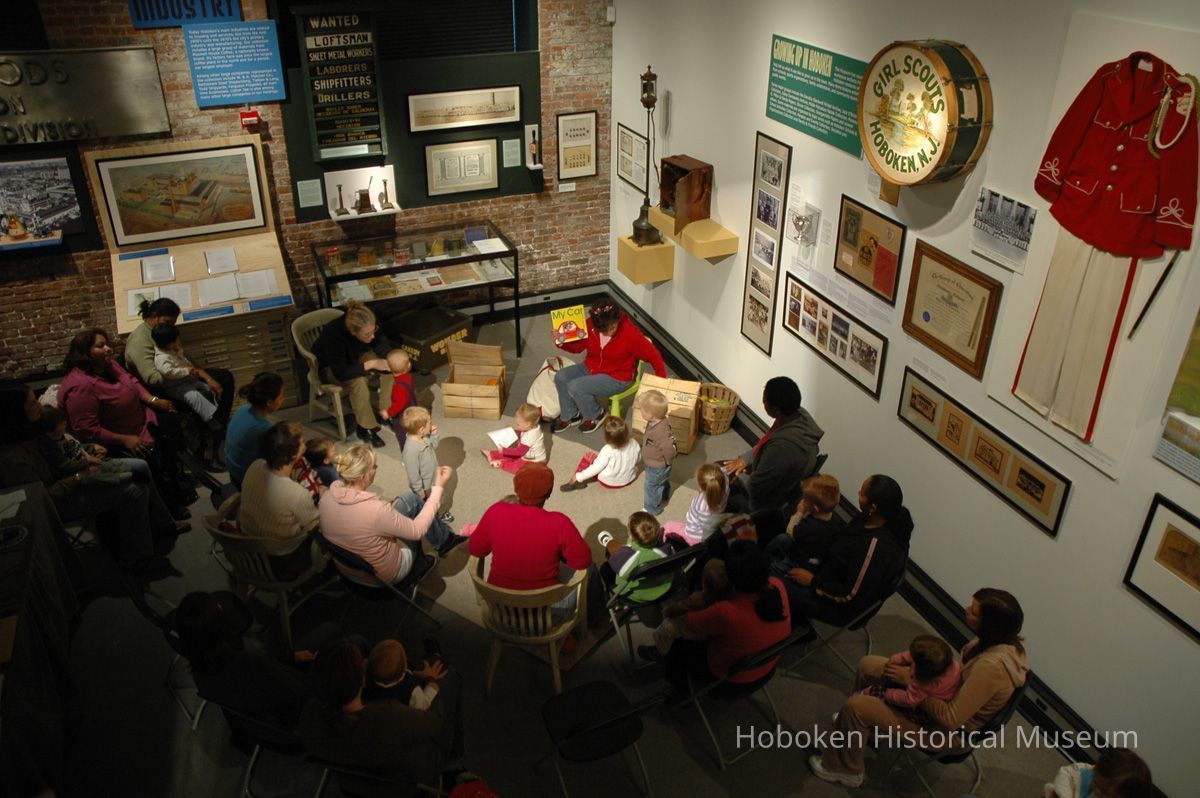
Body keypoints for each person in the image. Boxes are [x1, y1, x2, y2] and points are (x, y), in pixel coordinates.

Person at [810, 588, 1030, 788]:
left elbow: (951, 718)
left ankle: (846, 769)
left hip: (946, 733)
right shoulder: (997, 642)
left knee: (857, 707)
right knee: (868, 666)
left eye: (973, 612)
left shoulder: (992, 668)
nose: (966, 610)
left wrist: (912, 682)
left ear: (990, 625)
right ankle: (861, 731)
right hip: (942, 696)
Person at [0, 383, 184, 578]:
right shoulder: (15, 458)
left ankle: (162, 524)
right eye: (32, 403)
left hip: (71, 475)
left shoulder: (33, 430)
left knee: (140, 465)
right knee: (135, 489)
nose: (38, 404)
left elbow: (61, 449)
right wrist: (81, 475)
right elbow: (44, 498)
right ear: (16, 412)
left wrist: (88, 449)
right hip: (58, 501)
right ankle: (136, 558)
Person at [298, 638, 465, 792]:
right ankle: (454, 764)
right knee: (449, 675)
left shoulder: (309, 716)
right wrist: (430, 681)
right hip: (409, 780)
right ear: (363, 679)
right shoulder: (391, 715)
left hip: (355, 783)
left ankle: (431, 658)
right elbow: (435, 721)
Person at [58, 328, 192, 516]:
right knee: (149, 455)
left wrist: (152, 400)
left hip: (141, 420)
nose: (108, 349)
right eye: (100, 346)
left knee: (171, 423)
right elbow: (85, 429)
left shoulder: (108, 365)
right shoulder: (81, 386)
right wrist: (123, 439)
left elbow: (131, 381)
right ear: (85, 353)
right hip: (118, 437)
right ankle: (165, 509)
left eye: (107, 344)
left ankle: (175, 483)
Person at [318, 444, 461, 585]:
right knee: (413, 515)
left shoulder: (326, 498)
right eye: (374, 466)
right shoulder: (376, 511)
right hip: (383, 576)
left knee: (409, 499)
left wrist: (388, 512)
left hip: (348, 569)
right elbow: (417, 531)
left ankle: (445, 540)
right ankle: (425, 560)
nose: (376, 468)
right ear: (362, 476)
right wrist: (438, 489)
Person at [662, 540, 791, 696]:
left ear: (732, 579)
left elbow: (690, 622)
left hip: (730, 682)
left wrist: (703, 597)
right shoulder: (778, 585)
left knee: (678, 642)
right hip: (766, 668)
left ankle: (679, 691)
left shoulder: (726, 612)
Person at [782, 474, 911, 630]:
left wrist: (812, 581)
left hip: (839, 607)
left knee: (774, 580)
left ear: (873, 508)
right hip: (828, 574)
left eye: (862, 493)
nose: (858, 493)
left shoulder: (874, 550)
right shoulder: (868, 518)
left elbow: (849, 596)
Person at [174, 591, 317, 726]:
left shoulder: (200, 674)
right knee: (327, 630)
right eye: (217, 607)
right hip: (301, 711)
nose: (220, 605)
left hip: (262, 721)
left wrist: (290, 656)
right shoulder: (252, 659)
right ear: (220, 626)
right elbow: (300, 694)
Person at [467, 462, 591, 591]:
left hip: (497, 597)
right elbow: (583, 561)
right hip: (545, 601)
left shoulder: (496, 511)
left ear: (516, 489)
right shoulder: (560, 523)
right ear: (549, 494)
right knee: (591, 568)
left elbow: (475, 549)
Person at [551, 297, 666, 434]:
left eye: (612, 328)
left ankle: (597, 415)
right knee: (561, 376)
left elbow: (654, 355)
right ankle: (571, 414)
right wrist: (561, 342)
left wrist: (662, 383)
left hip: (618, 376)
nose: (609, 333)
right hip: (592, 367)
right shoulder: (590, 324)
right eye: (603, 331)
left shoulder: (630, 334)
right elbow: (578, 347)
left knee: (575, 386)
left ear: (617, 320)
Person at [124, 297, 234, 428]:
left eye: (173, 323)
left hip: (180, 372)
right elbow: (152, 378)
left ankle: (219, 420)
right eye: (167, 321)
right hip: (162, 387)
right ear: (154, 316)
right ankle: (218, 424)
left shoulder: (164, 330)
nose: (170, 326)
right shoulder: (139, 340)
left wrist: (207, 378)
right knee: (196, 395)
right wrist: (184, 374)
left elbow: (184, 357)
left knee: (223, 378)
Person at [722, 376, 824, 514]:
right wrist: (745, 459)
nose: (762, 401)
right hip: (779, 479)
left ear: (776, 409)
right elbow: (766, 442)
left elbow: (756, 488)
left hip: (766, 501)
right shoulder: (797, 414)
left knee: (719, 477)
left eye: (764, 400)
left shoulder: (781, 449)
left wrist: (740, 477)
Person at [310, 301, 400, 447]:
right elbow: (341, 372)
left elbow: (379, 344)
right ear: (353, 332)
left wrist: (392, 359)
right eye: (367, 334)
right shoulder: (333, 335)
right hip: (331, 367)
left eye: (374, 330)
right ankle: (366, 427)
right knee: (358, 382)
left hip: (355, 355)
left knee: (387, 369)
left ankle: (386, 412)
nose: (372, 336)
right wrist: (370, 364)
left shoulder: (368, 322)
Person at [238, 421, 321, 578]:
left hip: (247, 543)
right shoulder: (296, 494)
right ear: (293, 456)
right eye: (302, 442)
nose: (305, 444)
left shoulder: (255, 465)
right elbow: (316, 522)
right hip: (280, 557)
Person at [150, 322, 224, 471]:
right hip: (177, 387)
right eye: (176, 339)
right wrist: (186, 371)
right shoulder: (161, 358)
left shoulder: (173, 350)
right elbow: (169, 372)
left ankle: (216, 413)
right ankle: (210, 419)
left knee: (206, 389)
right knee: (193, 397)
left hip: (189, 380)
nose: (179, 341)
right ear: (169, 343)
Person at [765, 474, 844, 579]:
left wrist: (800, 513)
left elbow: (790, 532)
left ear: (815, 508)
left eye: (805, 499)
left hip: (798, 561)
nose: (802, 501)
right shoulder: (835, 521)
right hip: (815, 559)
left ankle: (769, 568)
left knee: (776, 565)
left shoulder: (810, 526)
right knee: (781, 540)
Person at [37, 404, 133, 486]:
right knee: (93, 477)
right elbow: (66, 465)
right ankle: (116, 478)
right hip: (79, 472)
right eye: (60, 423)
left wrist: (93, 446)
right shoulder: (52, 447)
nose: (65, 423)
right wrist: (87, 461)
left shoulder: (63, 435)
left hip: (88, 459)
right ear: (50, 429)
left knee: (108, 464)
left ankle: (121, 469)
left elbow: (78, 446)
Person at [863, 634, 961, 709]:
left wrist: (888, 693)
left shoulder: (925, 684)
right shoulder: (947, 662)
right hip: (922, 683)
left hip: (921, 706)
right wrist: (896, 659)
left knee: (872, 692)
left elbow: (909, 700)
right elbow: (911, 655)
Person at [224, 372, 285, 489]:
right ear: (269, 402)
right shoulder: (263, 429)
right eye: (281, 397)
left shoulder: (243, 409)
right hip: (246, 480)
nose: (283, 399)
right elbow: (277, 462)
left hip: (233, 473)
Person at [597, 511, 673, 602]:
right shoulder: (666, 549)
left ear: (631, 536)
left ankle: (608, 542)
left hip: (638, 593)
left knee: (605, 568)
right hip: (663, 585)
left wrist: (610, 545)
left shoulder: (626, 560)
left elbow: (614, 560)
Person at [400, 406, 453, 523]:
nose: (432, 424)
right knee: (431, 502)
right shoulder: (410, 451)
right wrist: (419, 490)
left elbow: (434, 445)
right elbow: (413, 475)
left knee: (440, 497)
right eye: (430, 423)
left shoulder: (423, 437)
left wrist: (434, 434)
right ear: (421, 429)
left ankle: (440, 512)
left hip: (434, 477)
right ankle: (436, 517)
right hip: (425, 486)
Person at [365, 639, 449, 711]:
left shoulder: (367, 680)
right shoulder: (409, 686)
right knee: (442, 670)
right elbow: (422, 705)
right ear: (405, 667)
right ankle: (436, 656)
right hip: (410, 710)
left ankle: (431, 657)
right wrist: (431, 681)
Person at [561, 415, 640, 491]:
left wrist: (579, 476)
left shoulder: (607, 450)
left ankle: (575, 480)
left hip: (608, 482)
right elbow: (638, 459)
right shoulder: (634, 443)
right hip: (628, 479)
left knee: (590, 457)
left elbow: (596, 468)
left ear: (607, 437)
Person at [662, 463, 729, 547]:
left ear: (702, 488)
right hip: (707, 527)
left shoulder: (702, 505)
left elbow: (703, 526)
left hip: (694, 535)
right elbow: (722, 471)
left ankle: (664, 546)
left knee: (668, 526)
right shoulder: (725, 483)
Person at [1044, 746, 1152, 798]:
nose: (1097, 791)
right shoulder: (1086, 773)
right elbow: (1068, 774)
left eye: (1105, 792)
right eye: (1096, 784)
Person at [639, 390, 676, 515]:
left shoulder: (660, 431)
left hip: (657, 465)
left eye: (642, 410)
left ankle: (652, 509)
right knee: (662, 481)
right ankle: (663, 496)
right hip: (655, 462)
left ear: (650, 415)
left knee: (652, 486)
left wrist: (668, 462)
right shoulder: (655, 421)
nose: (640, 412)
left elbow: (669, 449)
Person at [482, 402, 547, 474]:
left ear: (528, 424)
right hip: (526, 454)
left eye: (518, 424)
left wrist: (505, 451)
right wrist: (512, 431)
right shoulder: (533, 427)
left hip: (534, 461)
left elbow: (519, 452)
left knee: (516, 467)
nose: (517, 426)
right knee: (511, 453)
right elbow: (522, 433)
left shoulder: (530, 437)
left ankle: (500, 464)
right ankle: (492, 454)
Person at [376, 349, 417, 447]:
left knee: (403, 436)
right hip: (413, 409)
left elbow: (399, 404)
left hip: (403, 417)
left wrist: (388, 412)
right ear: (408, 365)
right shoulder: (409, 377)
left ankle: (407, 452)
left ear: (389, 368)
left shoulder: (398, 387)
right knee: (414, 430)